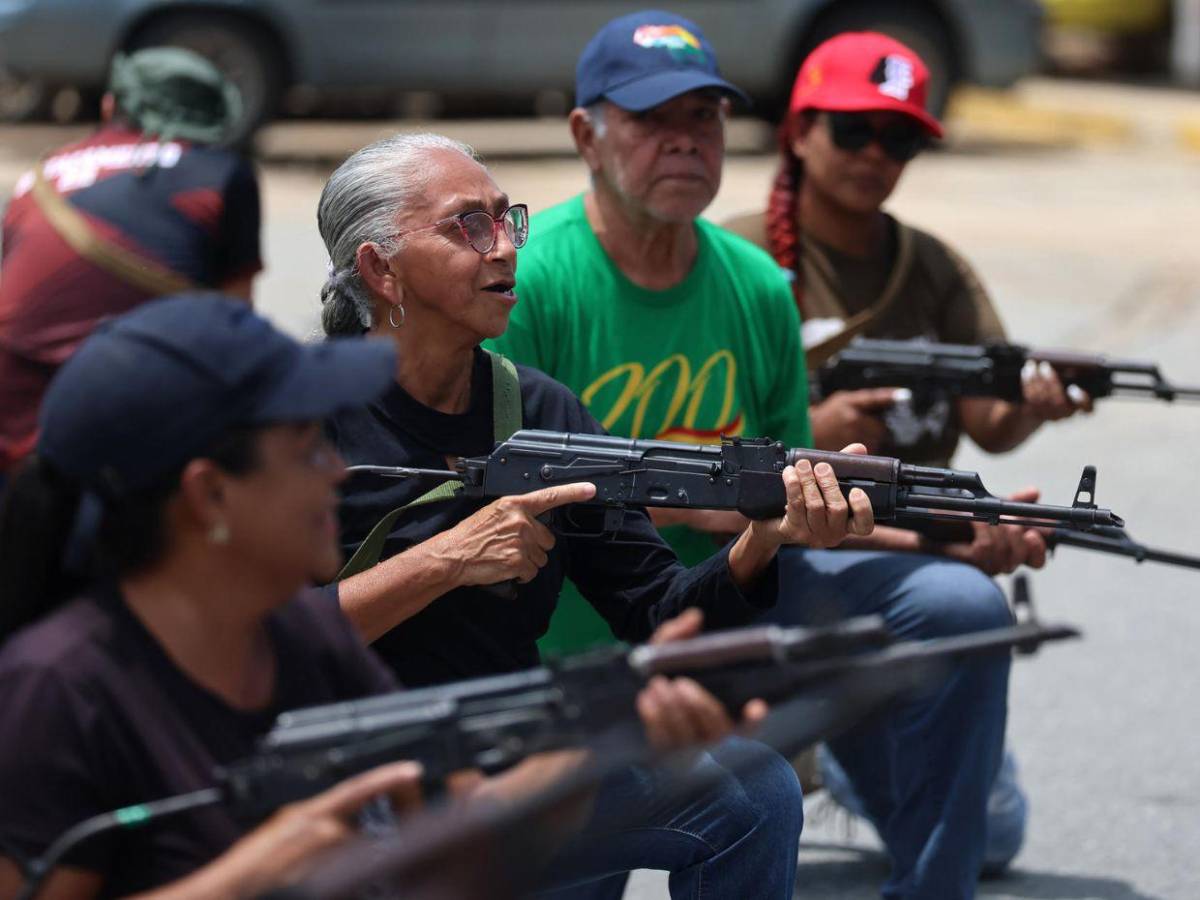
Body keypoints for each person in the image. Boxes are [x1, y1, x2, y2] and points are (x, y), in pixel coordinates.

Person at [487, 11, 1018, 898]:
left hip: (747, 596)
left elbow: (796, 502)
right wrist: (693, 504)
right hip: (582, 629)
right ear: (586, 134)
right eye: (654, 121)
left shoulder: (757, 284)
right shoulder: (531, 281)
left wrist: (952, 537)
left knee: (961, 600)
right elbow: (506, 500)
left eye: (704, 120)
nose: (686, 143)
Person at [0, 295, 757, 900]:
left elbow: (463, 857)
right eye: (305, 452)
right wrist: (256, 873)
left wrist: (607, 729)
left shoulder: (301, 640)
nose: (335, 472)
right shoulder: (59, 688)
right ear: (210, 496)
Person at [316, 131, 875, 897]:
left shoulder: (538, 409)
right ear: (381, 270)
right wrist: (446, 559)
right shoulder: (296, 421)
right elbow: (255, 647)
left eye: (507, 219)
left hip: (506, 754)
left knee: (754, 794)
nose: (505, 248)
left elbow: (653, 605)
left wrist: (762, 541)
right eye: (467, 227)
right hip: (344, 777)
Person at [724, 31, 1096, 869]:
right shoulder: (739, 260)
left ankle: (851, 753)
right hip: (781, 556)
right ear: (801, 130)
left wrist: (1036, 407)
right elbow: (708, 455)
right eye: (854, 130)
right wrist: (815, 438)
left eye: (900, 139)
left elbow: (990, 422)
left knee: (995, 838)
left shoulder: (929, 265)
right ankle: (832, 729)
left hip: (901, 551)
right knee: (957, 600)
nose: (876, 155)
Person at [0, 47, 263, 483]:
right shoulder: (221, 175)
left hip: (15, 424)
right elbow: (233, 328)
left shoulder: (38, 178)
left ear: (108, 105)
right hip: (133, 426)